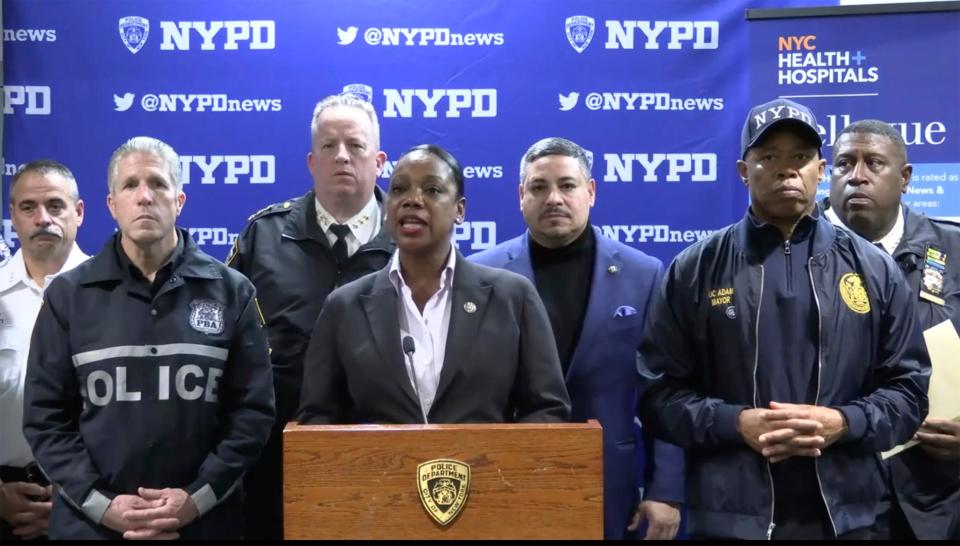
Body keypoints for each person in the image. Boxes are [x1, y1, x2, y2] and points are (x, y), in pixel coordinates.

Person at [638, 98, 931, 539]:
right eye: (768, 157)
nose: (786, 169)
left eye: (800, 157)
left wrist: (844, 422)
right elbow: (658, 394)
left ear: (820, 169)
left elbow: (909, 391)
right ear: (743, 170)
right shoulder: (694, 268)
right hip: (729, 521)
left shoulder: (872, 268)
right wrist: (734, 423)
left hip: (851, 518)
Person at [22, 137, 275, 539]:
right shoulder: (67, 297)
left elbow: (252, 415)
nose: (144, 197)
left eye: (157, 184)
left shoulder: (232, 292)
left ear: (179, 200)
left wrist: (195, 500)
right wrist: (104, 506)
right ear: (111, 205)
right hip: (91, 528)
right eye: (130, 185)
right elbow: (45, 419)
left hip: (202, 526)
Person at [469, 137, 683, 540]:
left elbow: (664, 390)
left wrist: (666, 489)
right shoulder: (479, 276)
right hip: (507, 480)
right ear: (520, 196)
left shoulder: (645, 274)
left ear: (591, 191)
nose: (553, 198)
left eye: (567, 185)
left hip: (614, 490)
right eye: (538, 187)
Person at [296, 144, 570, 425]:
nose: (412, 200)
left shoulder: (513, 298)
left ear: (459, 210)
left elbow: (547, 410)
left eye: (432, 190)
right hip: (379, 469)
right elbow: (317, 418)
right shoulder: (343, 307)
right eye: (400, 189)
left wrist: (498, 463)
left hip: (488, 468)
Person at [227, 93, 394, 539]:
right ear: (310, 161)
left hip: (387, 455)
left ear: (379, 161)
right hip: (275, 458)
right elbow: (224, 341)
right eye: (328, 146)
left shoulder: (412, 242)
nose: (342, 156)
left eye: (355, 146)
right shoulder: (264, 236)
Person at [823, 119, 960, 540]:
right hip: (829, 491)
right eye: (844, 164)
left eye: (874, 163)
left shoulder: (953, 250)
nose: (857, 176)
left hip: (936, 495)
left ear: (904, 179)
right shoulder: (787, 251)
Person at [0, 161, 89, 541]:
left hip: (92, 505)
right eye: (28, 208)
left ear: (79, 213)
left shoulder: (114, 295)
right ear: (12, 215)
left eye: (55, 206)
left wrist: (81, 496)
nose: (42, 218)